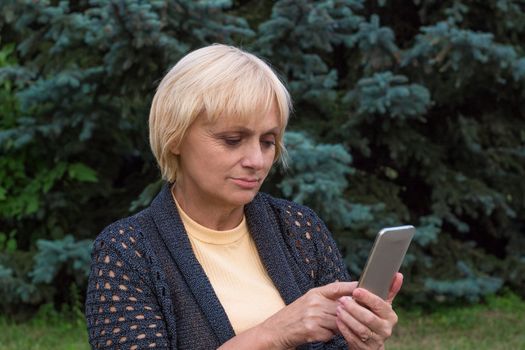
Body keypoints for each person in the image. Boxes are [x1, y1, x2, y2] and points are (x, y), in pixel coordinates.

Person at [85, 44, 402, 350]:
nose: (257, 160)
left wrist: (365, 342)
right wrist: (273, 334)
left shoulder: (300, 229)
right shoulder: (126, 252)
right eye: (233, 140)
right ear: (175, 137)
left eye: (267, 141)